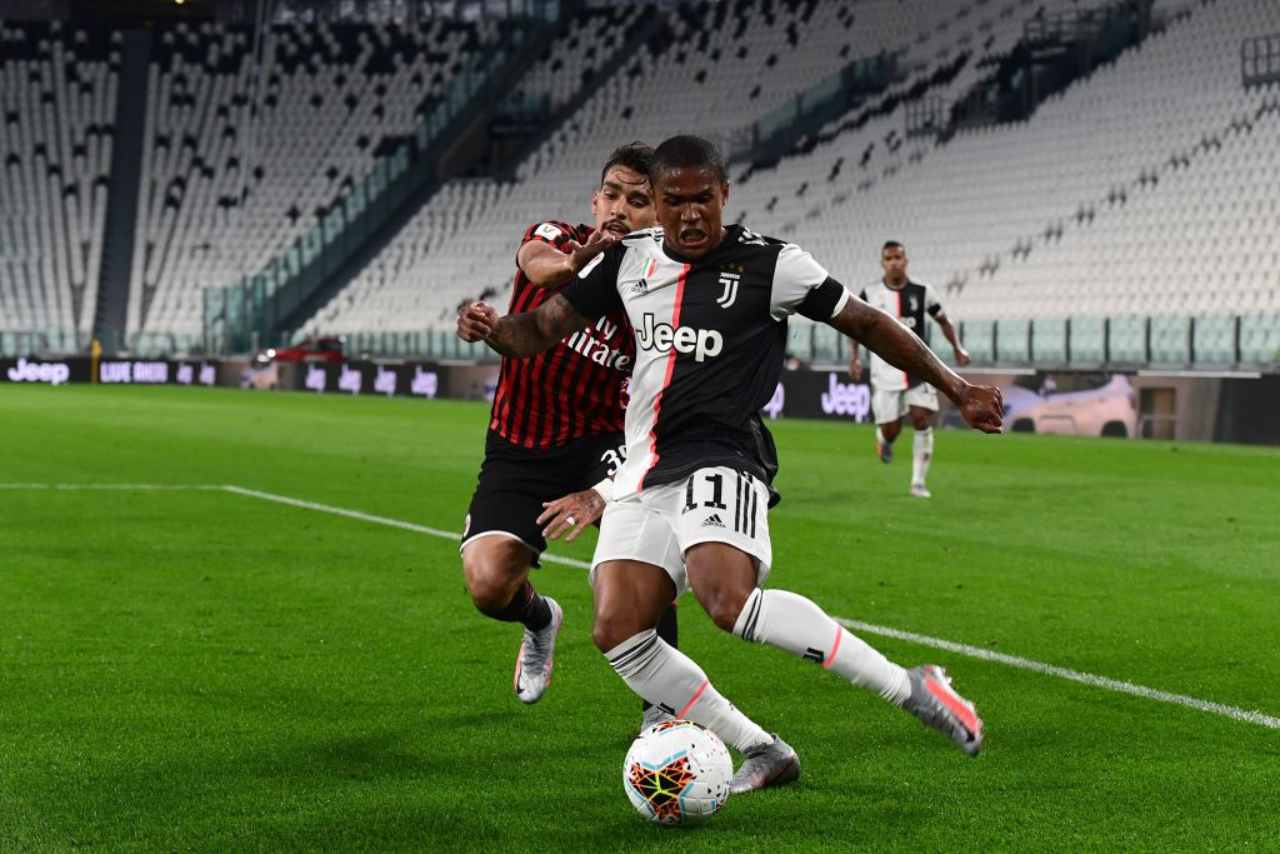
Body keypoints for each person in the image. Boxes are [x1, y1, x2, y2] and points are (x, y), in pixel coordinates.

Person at [457, 135, 1003, 794]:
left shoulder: (774, 264)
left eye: (703, 199)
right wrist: (491, 328)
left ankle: (911, 686)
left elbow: (867, 324)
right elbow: (538, 331)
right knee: (617, 629)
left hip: (723, 452)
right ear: (658, 204)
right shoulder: (626, 261)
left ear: (725, 195)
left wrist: (956, 389)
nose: (690, 215)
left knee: (727, 601)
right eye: (675, 200)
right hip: (642, 465)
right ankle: (762, 748)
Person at [457, 142, 678, 725]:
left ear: (658, 213)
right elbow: (539, 266)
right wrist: (582, 257)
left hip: (600, 444)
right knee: (487, 585)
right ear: (594, 197)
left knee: (644, 560)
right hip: (518, 442)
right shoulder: (555, 235)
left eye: (637, 200)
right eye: (611, 194)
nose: (619, 209)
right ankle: (540, 620)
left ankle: (665, 705)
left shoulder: (659, 286)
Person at [850, 241, 971, 498]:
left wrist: (958, 348)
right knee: (891, 430)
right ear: (882, 263)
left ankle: (918, 482)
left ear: (906, 261)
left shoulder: (923, 291)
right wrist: (855, 358)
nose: (894, 262)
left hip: (919, 367)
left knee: (921, 418)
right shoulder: (870, 294)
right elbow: (855, 327)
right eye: (889, 258)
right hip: (884, 372)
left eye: (898, 257)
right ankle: (884, 438)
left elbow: (943, 320)